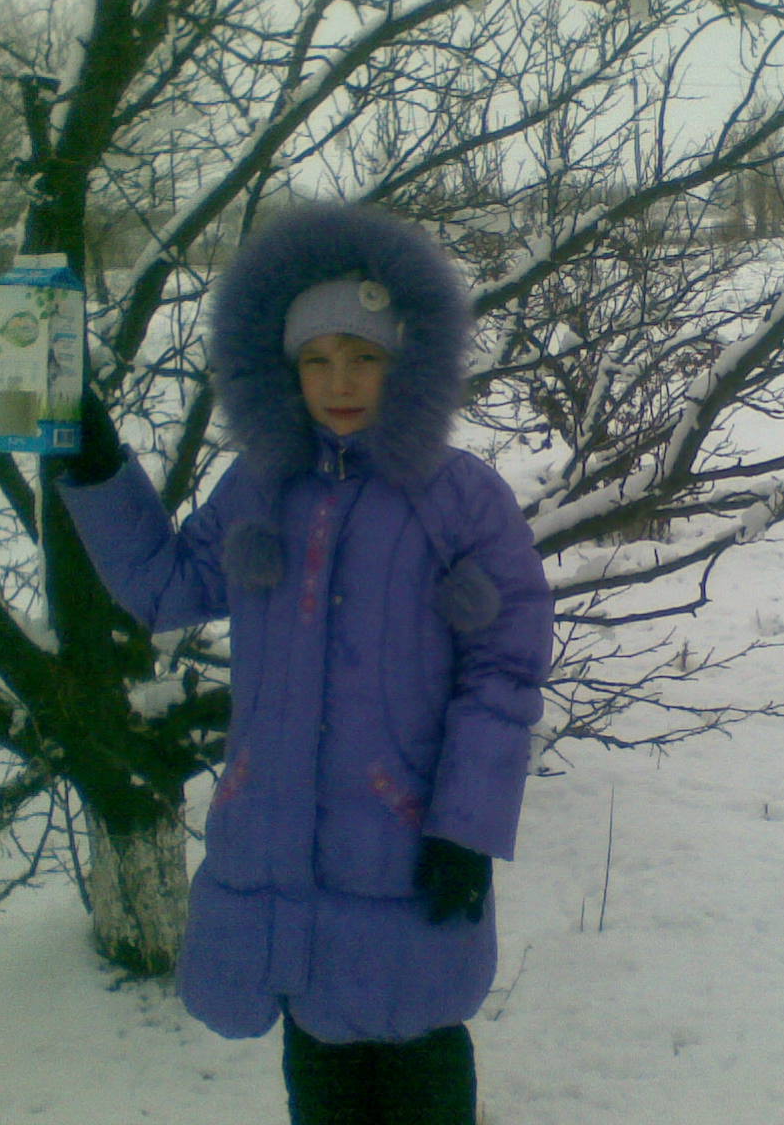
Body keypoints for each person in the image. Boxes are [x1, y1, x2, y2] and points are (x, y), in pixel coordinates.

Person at [58, 202, 554, 1124]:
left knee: (418, 1066)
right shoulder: (259, 489)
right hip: (281, 856)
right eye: (317, 359)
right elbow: (164, 586)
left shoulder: (457, 499)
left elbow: (507, 663)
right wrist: (92, 462)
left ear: (404, 361)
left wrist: (467, 822)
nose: (340, 381)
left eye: (364, 356)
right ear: (284, 368)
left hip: (407, 852)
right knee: (320, 1082)